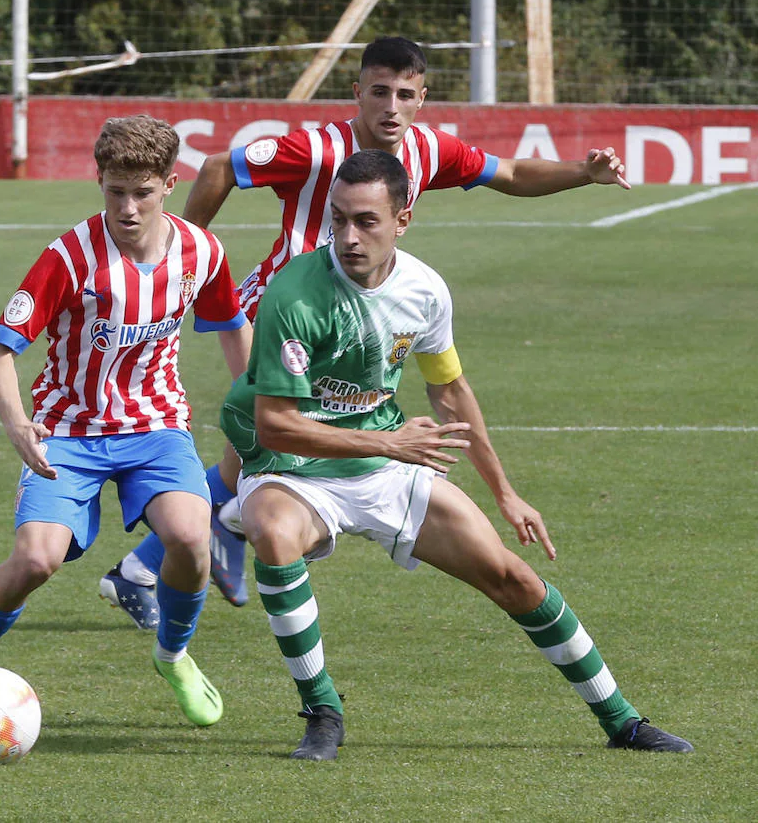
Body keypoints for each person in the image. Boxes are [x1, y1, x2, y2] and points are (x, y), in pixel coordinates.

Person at [100, 36, 631, 626]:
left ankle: (175, 552)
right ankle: (176, 552)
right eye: (379, 92)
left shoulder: (428, 148)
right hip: (282, 311)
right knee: (268, 439)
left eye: (405, 95)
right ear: (358, 93)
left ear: (422, 100)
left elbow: (509, 172)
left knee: (251, 454)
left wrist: (584, 172)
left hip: (345, 320)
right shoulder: (320, 148)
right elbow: (222, 166)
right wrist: (183, 257)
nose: (391, 107)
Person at [221, 149, 692, 759]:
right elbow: (278, 427)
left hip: (381, 460)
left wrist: (505, 492)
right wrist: (392, 441)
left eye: (365, 221)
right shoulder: (295, 293)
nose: (347, 236)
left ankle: (623, 721)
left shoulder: (424, 291)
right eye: (338, 219)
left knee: (511, 577)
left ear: (404, 219)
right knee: (274, 534)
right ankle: (323, 713)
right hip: (293, 462)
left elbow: (448, 392)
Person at [0, 115, 252, 733]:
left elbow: (230, 327)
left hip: (157, 428)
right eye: (115, 191)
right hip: (68, 430)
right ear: (99, 181)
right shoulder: (69, 258)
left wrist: (257, 408)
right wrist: (18, 425)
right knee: (36, 560)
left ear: (170, 183)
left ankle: (173, 656)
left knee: (192, 538)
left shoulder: (203, 251)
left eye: (142, 192)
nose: (128, 207)